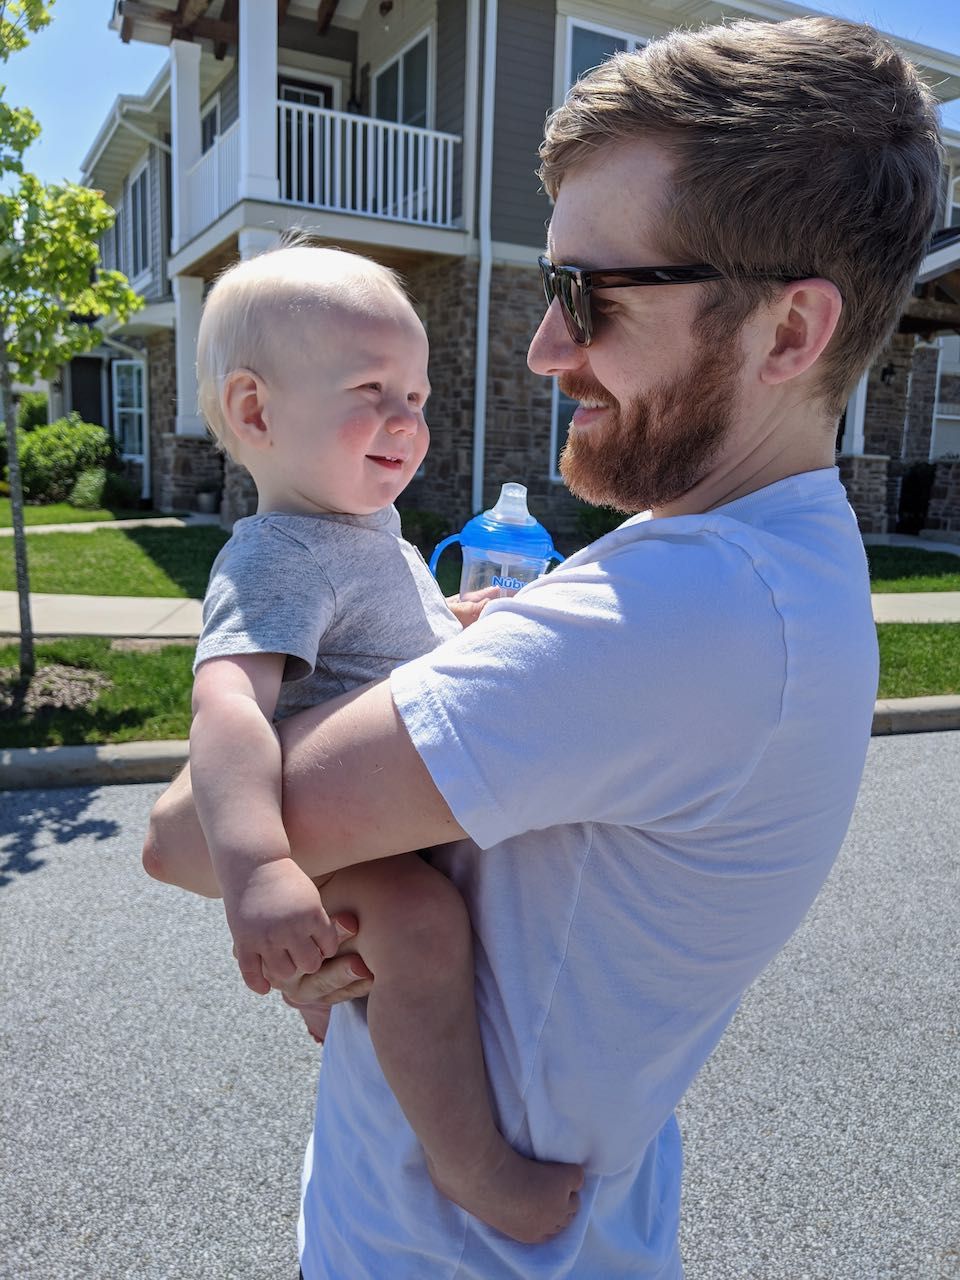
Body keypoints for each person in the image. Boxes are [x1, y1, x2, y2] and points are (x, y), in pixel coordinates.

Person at [143, 17, 943, 1278]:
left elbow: (180, 835)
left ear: (789, 332)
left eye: (590, 295)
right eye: (546, 287)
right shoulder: (762, 567)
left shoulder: (693, 609)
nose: (544, 348)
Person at [173, 243, 583, 1245]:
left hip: (380, 813)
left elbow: (376, 648)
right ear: (256, 411)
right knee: (421, 925)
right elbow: (226, 707)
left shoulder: (367, 533)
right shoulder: (279, 555)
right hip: (350, 850)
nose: (407, 420)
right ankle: (471, 1163)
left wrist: (455, 620)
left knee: (399, 952)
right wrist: (260, 868)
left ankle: (350, 1022)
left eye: (416, 396)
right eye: (371, 391)